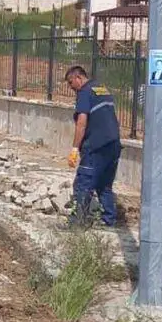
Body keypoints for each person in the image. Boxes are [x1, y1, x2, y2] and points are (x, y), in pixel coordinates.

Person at [64, 66, 122, 228]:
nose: (71, 87)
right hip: (113, 144)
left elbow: (82, 123)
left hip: (96, 146)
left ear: (78, 78)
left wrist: (75, 149)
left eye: (71, 83)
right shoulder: (101, 89)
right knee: (104, 185)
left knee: (83, 183)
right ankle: (108, 220)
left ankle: (78, 222)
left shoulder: (84, 92)